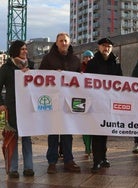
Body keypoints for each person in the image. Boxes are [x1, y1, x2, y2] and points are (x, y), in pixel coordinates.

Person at [39, 32, 81, 174]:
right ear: (56, 43)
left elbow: (80, 80)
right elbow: (39, 77)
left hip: (68, 102)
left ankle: (68, 160)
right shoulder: (48, 59)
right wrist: (53, 74)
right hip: (52, 100)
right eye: (61, 41)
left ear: (69, 43)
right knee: (53, 132)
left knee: (67, 133)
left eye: (66, 41)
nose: (64, 43)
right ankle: (52, 162)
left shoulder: (75, 60)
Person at [85, 37, 123, 173]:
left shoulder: (116, 62)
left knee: (105, 130)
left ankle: (104, 157)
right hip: (96, 102)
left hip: (109, 102)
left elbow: (120, 80)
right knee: (96, 132)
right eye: (104, 46)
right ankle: (96, 160)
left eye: (109, 46)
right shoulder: (93, 63)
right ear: (99, 47)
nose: (106, 48)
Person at [0, 40, 35, 178]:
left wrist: (29, 74)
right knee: (12, 138)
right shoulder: (6, 68)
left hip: (27, 107)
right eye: (22, 49)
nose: (25, 51)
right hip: (12, 108)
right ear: (15, 51)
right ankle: (13, 169)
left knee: (27, 138)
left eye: (26, 49)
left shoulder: (31, 66)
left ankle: (29, 167)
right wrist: (1, 103)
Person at [81, 50, 94, 156]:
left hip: (94, 99)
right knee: (84, 126)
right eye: (86, 57)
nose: (88, 59)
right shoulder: (79, 68)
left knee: (94, 125)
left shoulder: (96, 68)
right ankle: (87, 146)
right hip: (82, 99)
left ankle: (93, 147)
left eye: (90, 57)